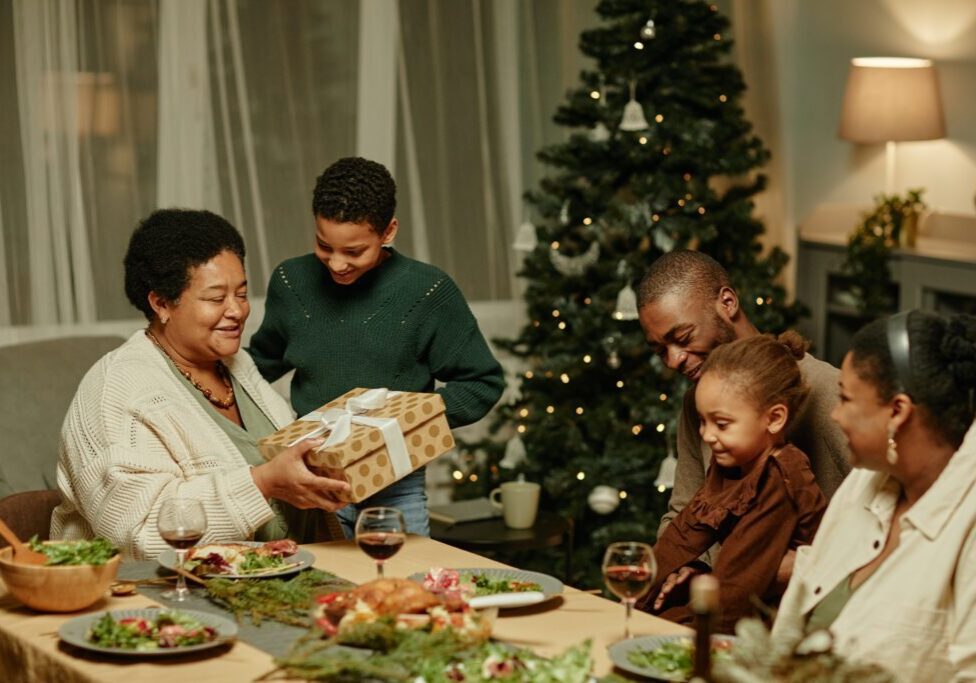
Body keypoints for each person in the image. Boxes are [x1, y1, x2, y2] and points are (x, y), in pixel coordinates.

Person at [52, 209, 350, 560]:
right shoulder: (115, 389)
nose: (237, 311)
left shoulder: (237, 365)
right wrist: (262, 482)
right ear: (162, 303)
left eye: (241, 293)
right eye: (215, 298)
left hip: (288, 577)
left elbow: (287, 460)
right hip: (159, 598)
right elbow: (142, 535)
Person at [248, 157, 505, 537]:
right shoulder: (292, 281)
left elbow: (482, 382)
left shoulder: (427, 292)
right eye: (324, 245)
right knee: (321, 589)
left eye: (354, 252)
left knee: (402, 588)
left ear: (388, 231)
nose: (336, 264)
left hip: (395, 484)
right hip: (313, 479)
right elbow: (255, 366)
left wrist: (406, 422)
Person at [772, 311, 976, 681]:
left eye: (846, 399)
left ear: (897, 411)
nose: (835, 415)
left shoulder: (968, 525)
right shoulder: (864, 479)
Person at [637, 250, 849, 600]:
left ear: (728, 302)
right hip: (724, 601)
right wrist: (695, 569)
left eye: (683, 337)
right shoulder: (698, 402)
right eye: (660, 350)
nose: (673, 360)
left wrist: (802, 566)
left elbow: (893, 520)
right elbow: (684, 512)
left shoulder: (826, 392)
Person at [637, 332, 827, 632]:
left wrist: (656, 627)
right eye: (702, 420)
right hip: (737, 598)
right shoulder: (732, 458)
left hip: (779, 622)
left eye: (721, 423)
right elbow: (683, 535)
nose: (707, 435)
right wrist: (636, 595)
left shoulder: (780, 475)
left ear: (774, 419)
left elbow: (736, 591)